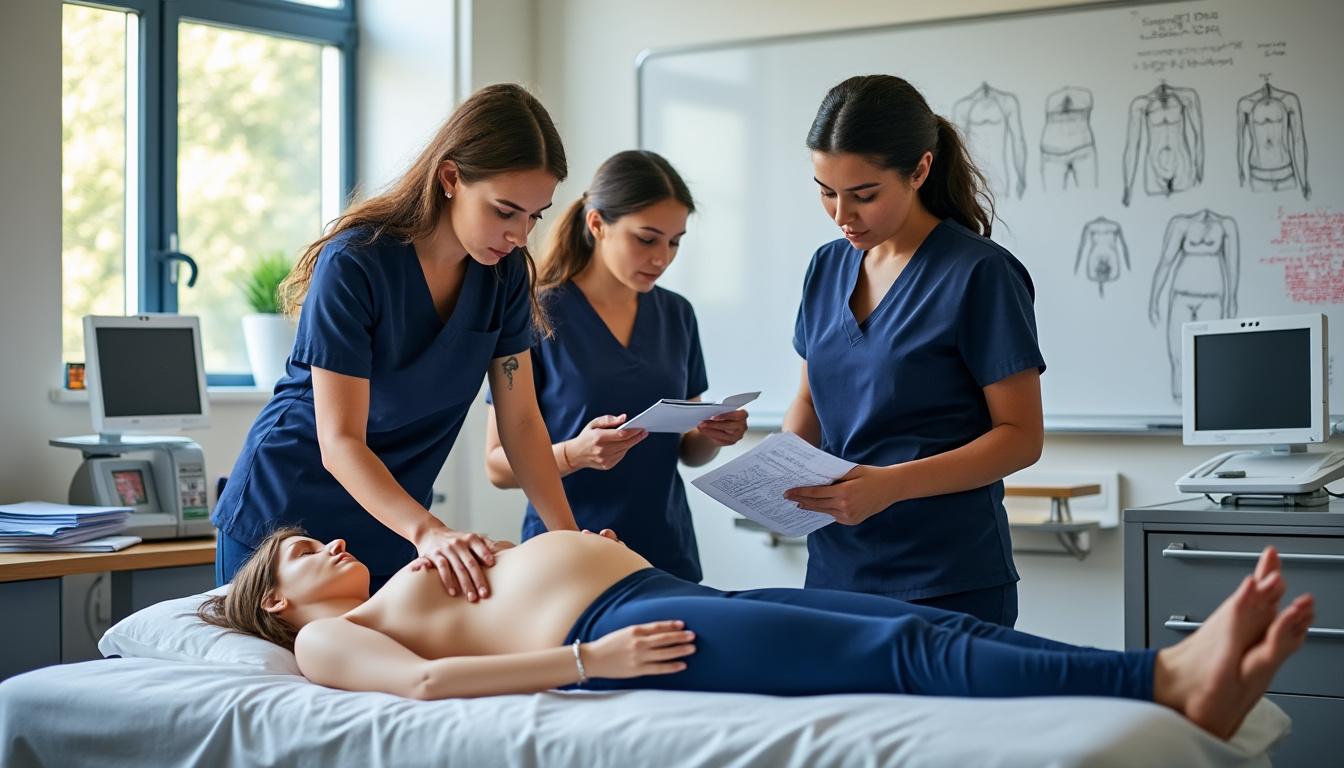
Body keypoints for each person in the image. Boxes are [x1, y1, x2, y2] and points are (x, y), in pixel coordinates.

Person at [200, 527, 1312, 742]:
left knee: (913, 618)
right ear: (278, 600)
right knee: (900, 658)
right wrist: (592, 662)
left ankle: (1168, 679)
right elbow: (435, 686)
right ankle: (1166, 677)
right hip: (623, 630)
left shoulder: (403, 572)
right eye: (302, 554)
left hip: (657, 587)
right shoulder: (320, 645)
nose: (327, 550)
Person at [212, 84, 596, 598]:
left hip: (395, 524)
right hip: (285, 524)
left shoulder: (503, 277)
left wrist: (570, 541)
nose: (520, 235)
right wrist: (429, 532)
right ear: (451, 177)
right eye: (505, 211)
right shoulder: (356, 263)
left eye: (535, 216)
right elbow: (340, 440)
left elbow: (522, 421)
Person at [783, 74, 1045, 626]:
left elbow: (1021, 439)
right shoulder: (826, 267)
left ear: (920, 170)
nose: (840, 215)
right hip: (835, 576)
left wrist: (889, 486)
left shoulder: (980, 273)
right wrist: (778, 470)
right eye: (826, 191)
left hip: (947, 580)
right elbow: (810, 404)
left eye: (864, 195)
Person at [482, 151, 747, 581]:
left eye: (675, 241)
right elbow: (496, 466)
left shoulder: (677, 314)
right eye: (647, 238)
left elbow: (687, 450)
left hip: (665, 554)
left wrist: (713, 435)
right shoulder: (535, 313)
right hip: (566, 555)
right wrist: (575, 454)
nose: (662, 257)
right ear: (597, 225)